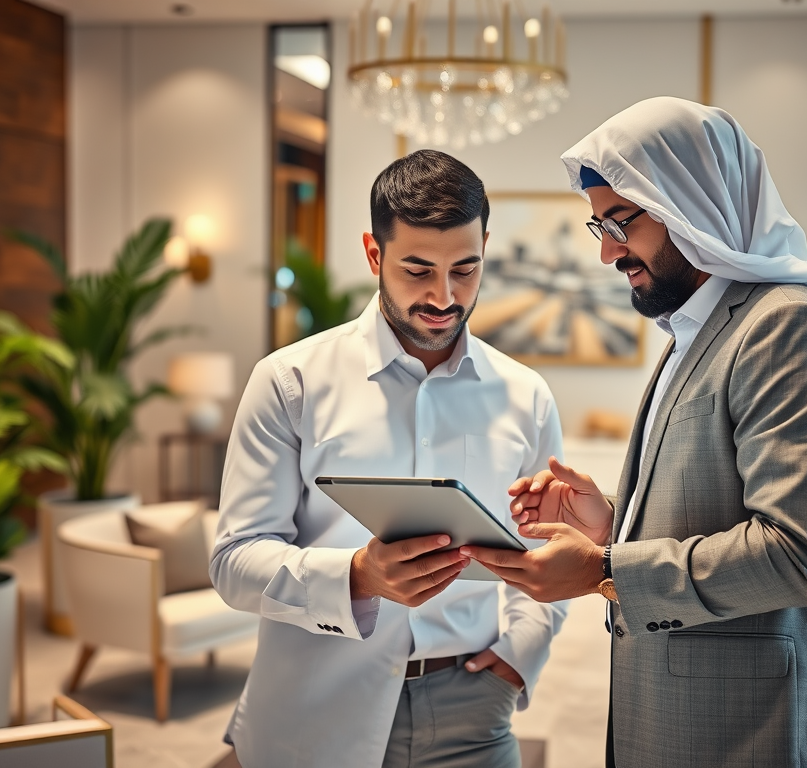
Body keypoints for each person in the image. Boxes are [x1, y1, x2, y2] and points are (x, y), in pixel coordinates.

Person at [461, 97, 807, 767]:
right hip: (682, 715)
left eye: (621, 222)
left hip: (751, 726)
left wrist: (603, 569)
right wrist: (612, 524)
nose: (606, 251)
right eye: (597, 224)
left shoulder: (789, 327)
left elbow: (804, 555)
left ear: (688, 199)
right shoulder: (698, 330)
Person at [210, 149, 566, 768]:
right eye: (418, 269)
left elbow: (545, 549)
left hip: (472, 705)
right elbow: (233, 561)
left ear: (486, 247)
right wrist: (357, 576)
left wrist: (519, 656)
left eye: (466, 269)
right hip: (313, 703)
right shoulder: (288, 381)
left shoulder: (526, 395)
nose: (444, 295)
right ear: (375, 255)